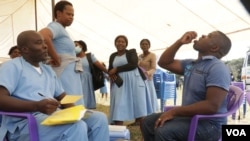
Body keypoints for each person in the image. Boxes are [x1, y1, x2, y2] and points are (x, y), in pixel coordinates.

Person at [0, 30, 109, 141]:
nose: (45, 46)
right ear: (25, 49)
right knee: (76, 127)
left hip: (52, 117)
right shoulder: (12, 66)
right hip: (25, 123)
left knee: (99, 118)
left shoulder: (47, 70)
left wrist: (75, 112)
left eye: (44, 42)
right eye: (39, 43)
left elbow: (62, 96)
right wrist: (36, 106)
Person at [140, 31, 232, 141]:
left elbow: (211, 106)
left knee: (164, 131)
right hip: (190, 118)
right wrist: (180, 42)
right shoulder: (192, 64)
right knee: (147, 122)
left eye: (209, 36)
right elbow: (164, 62)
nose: (203, 35)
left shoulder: (217, 68)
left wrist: (174, 112)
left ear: (214, 47)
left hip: (209, 125)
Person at [39, 1, 84, 106]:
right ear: (58, 13)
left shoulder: (62, 30)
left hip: (69, 73)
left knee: (73, 101)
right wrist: (55, 57)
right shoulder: (56, 26)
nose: (71, 17)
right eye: (68, 14)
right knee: (69, 102)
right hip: (64, 73)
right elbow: (43, 36)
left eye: (73, 15)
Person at [108, 35, 149, 126]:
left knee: (139, 110)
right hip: (120, 83)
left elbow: (133, 64)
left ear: (126, 44)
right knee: (118, 107)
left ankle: (145, 137)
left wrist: (117, 69)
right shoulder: (112, 55)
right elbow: (110, 69)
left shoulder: (131, 52)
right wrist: (111, 73)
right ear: (115, 43)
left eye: (123, 41)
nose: (120, 43)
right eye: (118, 41)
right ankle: (118, 136)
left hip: (134, 81)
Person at [75, 40, 108, 109]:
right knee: (77, 100)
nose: (74, 47)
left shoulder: (89, 56)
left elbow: (99, 65)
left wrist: (109, 73)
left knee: (86, 98)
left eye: (76, 45)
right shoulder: (73, 58)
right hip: (76, 80)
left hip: (87, 81)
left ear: (81, 46)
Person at [138, 39, 159, 113]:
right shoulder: (139, 56)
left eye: (146, 44)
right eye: (142, 44)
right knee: (142, 99)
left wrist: (148, 73)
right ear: (140, 46)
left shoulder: (152, 55)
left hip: (148, 80)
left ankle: (150, 115)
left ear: (149, 46)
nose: (144, 45)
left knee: (149, 99)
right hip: (140, 80)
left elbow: (154, 68)